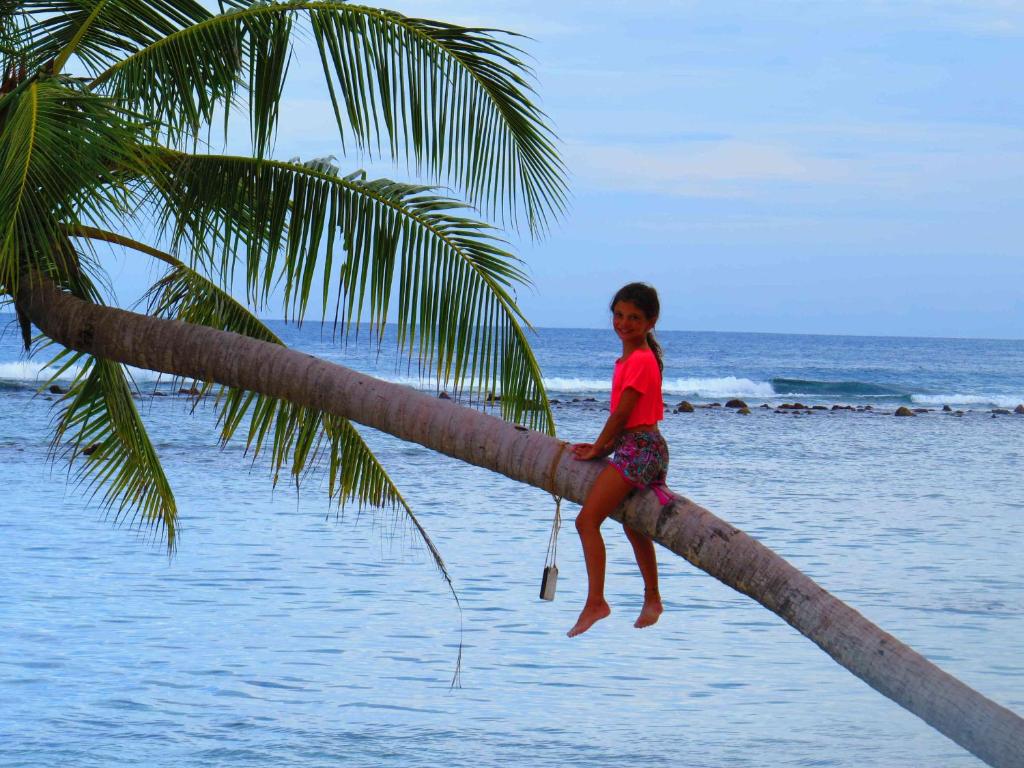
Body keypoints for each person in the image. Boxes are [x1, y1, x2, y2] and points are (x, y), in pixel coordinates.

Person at [567, 282, 671, 638]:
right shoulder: (630, 359)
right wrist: (606, 446)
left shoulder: (640, 360)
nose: (624, 323)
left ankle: (597, 601)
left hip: (640, 448)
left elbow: (622, 414)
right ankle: (653, 599)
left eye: (634, 318)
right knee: (632, 524)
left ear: (650, 322)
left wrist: (599, 448)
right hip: (640, 446)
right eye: (619, 315)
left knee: (586, 521)